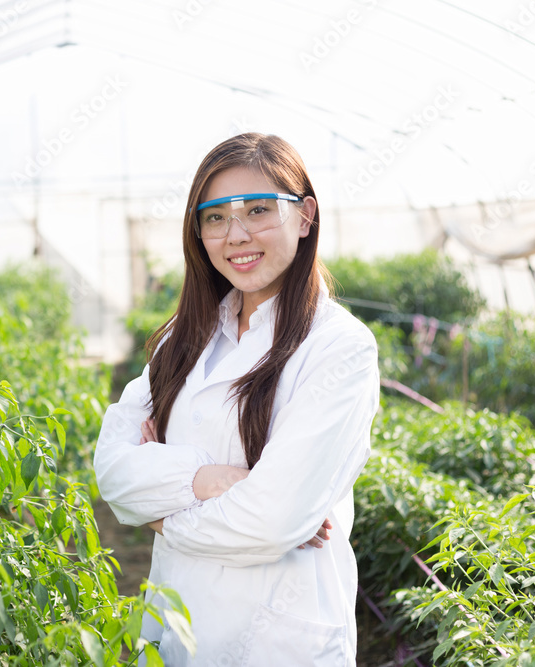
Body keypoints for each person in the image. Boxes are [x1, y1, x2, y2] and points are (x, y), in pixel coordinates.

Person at [93, 132, 380, 665]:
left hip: (277, 637)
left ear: (305, 216)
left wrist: (156, 512)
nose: (237, 234)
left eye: (258, 210)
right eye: (216, 217)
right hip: (178, 617)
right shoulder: (188, 334)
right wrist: (212, 481)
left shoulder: (339, 348)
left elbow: (269, 520)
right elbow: (112, 470)